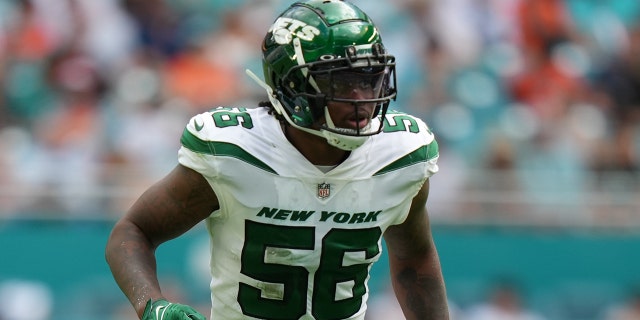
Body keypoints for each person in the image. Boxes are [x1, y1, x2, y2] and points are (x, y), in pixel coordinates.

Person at [105, 1, 449, 319]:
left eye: (368, 78)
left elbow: (415, 262)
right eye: (340, 83)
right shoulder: (233, 153)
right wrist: (153, 306)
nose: (363, 99)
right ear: (291, 86)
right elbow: (133, 232)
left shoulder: (401, 155)